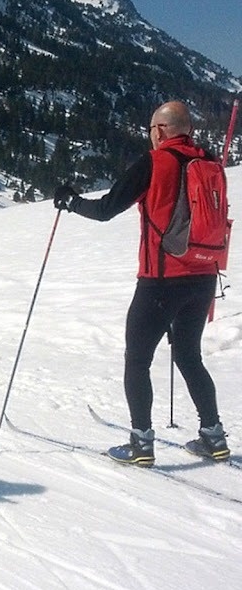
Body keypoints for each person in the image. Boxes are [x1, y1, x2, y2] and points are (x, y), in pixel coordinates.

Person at [52, 100, 228, 466]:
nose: (150, 135)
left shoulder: (155, 162)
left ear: (161, 130)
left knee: (137, 359)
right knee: (189, 355)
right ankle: (213, 436)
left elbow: (105, 210)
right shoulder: (210, 163)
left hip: (161, 281)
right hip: (205, 275)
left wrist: (71, 202)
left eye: (151, 129)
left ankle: (141, 444)